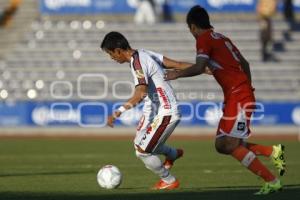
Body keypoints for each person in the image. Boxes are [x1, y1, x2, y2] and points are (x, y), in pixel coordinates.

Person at [165, 5, 286, 195]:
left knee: (230, 144)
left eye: (190, 30)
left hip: (238, 95)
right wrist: (246, 87)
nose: (192, 34)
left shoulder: (204, 39)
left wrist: (176, 74)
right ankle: (272, 151)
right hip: (235, 95)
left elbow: (199, 67)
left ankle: (272, 181)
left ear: (193, 27)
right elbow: (244, 63)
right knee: (222, 145)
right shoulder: (221, 38)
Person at [100, 31, 194, 190]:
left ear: (118, 50)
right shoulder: (143, 53)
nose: (112, 58)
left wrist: (118, 112)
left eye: (111, 54)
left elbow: (141, 93)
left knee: (143, 151)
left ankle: (169, 181)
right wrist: (203, 68)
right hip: (155, 109)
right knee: (140, 142)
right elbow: (176, 64)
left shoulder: (137, 63)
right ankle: (172, 154)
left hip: (166, 111)